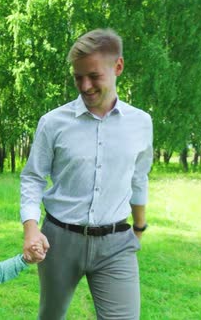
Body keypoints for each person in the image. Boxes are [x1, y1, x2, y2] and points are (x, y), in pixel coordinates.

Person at [20, 28, 153, 319]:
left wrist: (139, 227)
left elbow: (139, 177)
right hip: (58, 240)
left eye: (94, 76)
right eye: (78, 77)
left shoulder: (141, 123)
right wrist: (31, 228)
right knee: (51, 316)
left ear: (118, 67)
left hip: (116, 242)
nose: (85, 85)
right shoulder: (53, 123)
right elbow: (33, 177)